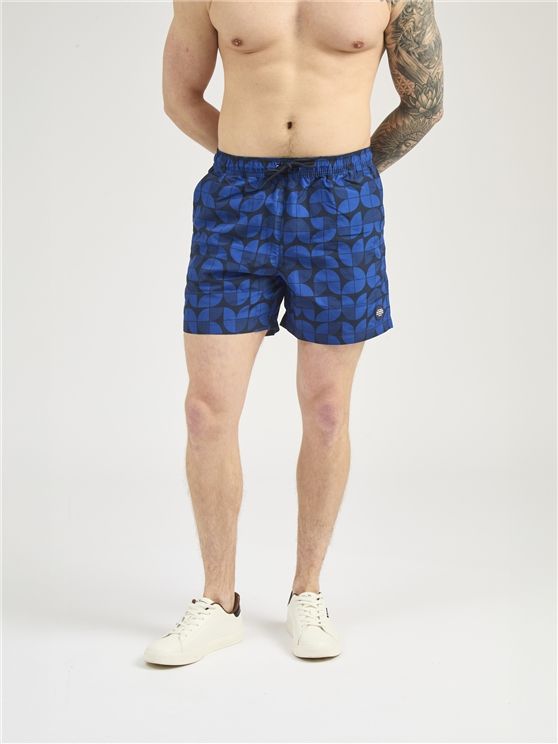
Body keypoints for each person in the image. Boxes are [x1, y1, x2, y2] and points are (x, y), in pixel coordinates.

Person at [143, 0, 444, 666]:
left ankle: (308, 590)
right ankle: (217, 600)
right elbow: (179, 95)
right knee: (205, 410)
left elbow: (425, 101)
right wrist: (247, 163)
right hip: (236, 202)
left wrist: (347, 173)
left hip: (341, 200)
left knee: (328, 410)